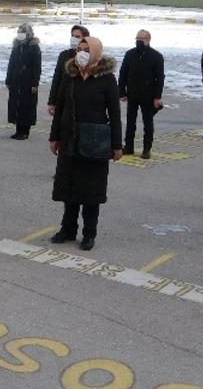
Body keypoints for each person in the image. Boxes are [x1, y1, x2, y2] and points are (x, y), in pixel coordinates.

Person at [48, 36, 123, 251]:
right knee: (69, 188)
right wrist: (54, 137)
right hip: (69, 139)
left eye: (86, 49)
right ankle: (68, 229)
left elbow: (115, 114)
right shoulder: (70, 75)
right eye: (79, 49)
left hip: (95, 142)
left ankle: (89, 233)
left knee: (91, 191)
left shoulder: (106, 79)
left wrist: (117, 145)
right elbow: (60, 107)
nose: (81, 53)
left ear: (96, 53)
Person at [118, 29, 164, 158]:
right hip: (132, 93)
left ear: (148, 40)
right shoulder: (130, 54)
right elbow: (123, 73)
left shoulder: (156, 56)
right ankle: (129, 147)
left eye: (142, 38)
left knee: (147, 123)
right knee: (130, 122)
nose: (139, 40)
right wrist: (121, 91)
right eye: (137, 38)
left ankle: (146, 149)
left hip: (148, 95)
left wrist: (157, 97)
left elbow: (160, 78)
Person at [6, 23, 41, 140]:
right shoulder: (16, 46)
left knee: (26, 105)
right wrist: (8, 79)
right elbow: (11, 63)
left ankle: (25, 131)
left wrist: (35, 83)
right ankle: (18, 130)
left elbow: (37, 67)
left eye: (22, 31)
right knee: (16, 104)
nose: (20, 34)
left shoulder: (34, 47)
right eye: (19, 31)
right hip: (16, 80)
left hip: (28, 81)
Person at [47, 24, 89, 116]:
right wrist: (52, 102)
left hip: (82, 102)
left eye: (77, 37)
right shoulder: (64, 55)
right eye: (72, 36)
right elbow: (57, 78)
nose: (74, 39)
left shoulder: (90, 56)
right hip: (64, 100)